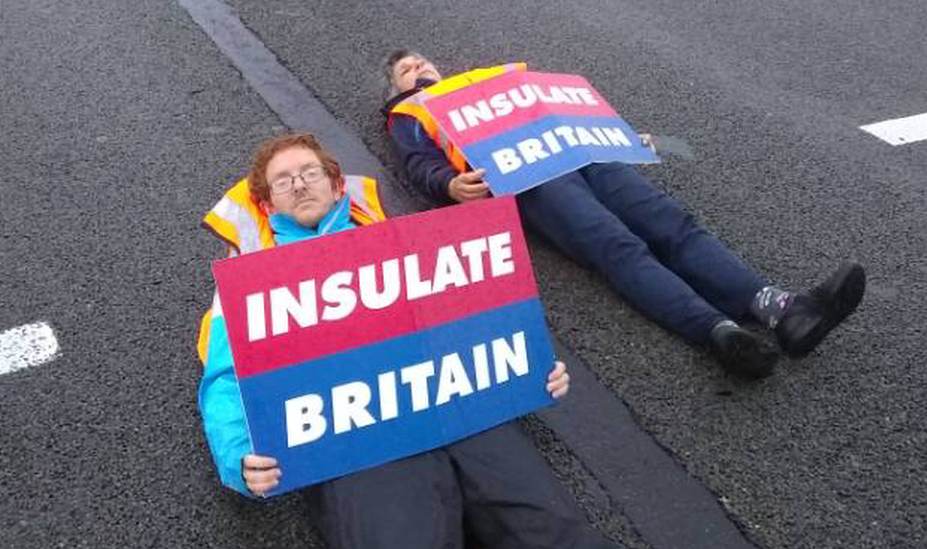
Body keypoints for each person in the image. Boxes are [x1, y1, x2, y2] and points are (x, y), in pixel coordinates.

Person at [196, 133, 621, 549]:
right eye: (284, 180)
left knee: (552, 530)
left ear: (336, 183)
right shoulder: (251, 282)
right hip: (352, 435)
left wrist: (530, 366)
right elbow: (225, 378)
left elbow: (476, 320)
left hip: (460, 411)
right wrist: (238, 456)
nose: (300, 183)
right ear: (268, 204)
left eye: (309, 171)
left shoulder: (403, 242)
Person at [382, 51, 866, 379]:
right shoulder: (410, 112)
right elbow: (418, 162)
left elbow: (559, 107)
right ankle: (719, 333)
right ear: (397, 85)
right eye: (405, 68)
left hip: (585, 155)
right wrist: (445, 183)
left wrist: (615, 135)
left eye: (422, 59)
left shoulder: (492, 80)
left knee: (673, 224)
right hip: (529, 179)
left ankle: (782, 309)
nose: (417, 66)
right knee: (616, 246)